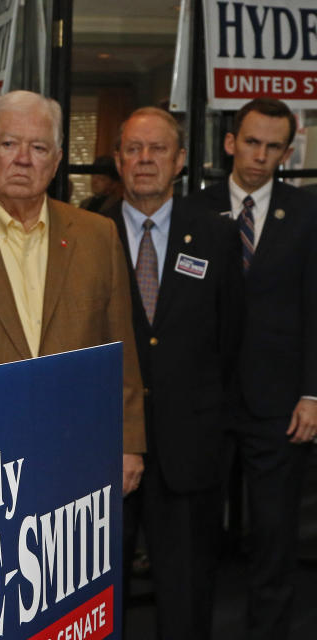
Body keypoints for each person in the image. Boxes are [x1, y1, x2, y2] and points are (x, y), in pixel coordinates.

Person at [104, 107, 241, 639]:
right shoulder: (86, 231)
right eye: (133, 148)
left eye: (157, 149)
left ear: (180, 161)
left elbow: (232, 335)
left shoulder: (215, 234)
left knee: (186, 593)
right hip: (107, 444)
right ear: (117, 159)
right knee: (95, 590)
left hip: (191, 447)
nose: (144, 160)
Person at [0, 90, 145, 496]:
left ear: (58, 160)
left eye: (39, 147)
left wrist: (129, 444)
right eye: (8, 144)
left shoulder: (97, 234)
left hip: (77, 448)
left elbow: (121, 348)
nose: (23, 159)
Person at [184, 97, 317, 640]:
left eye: (273, 147)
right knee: (196, 543)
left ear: (286, 152)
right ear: (230, 142)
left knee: (273, 538)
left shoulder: (307, 214)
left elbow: (315, 306)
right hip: (205, 405)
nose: (260, 157)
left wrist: (313, 394)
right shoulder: (193, 209)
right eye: (252, 142)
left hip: (280, 406)